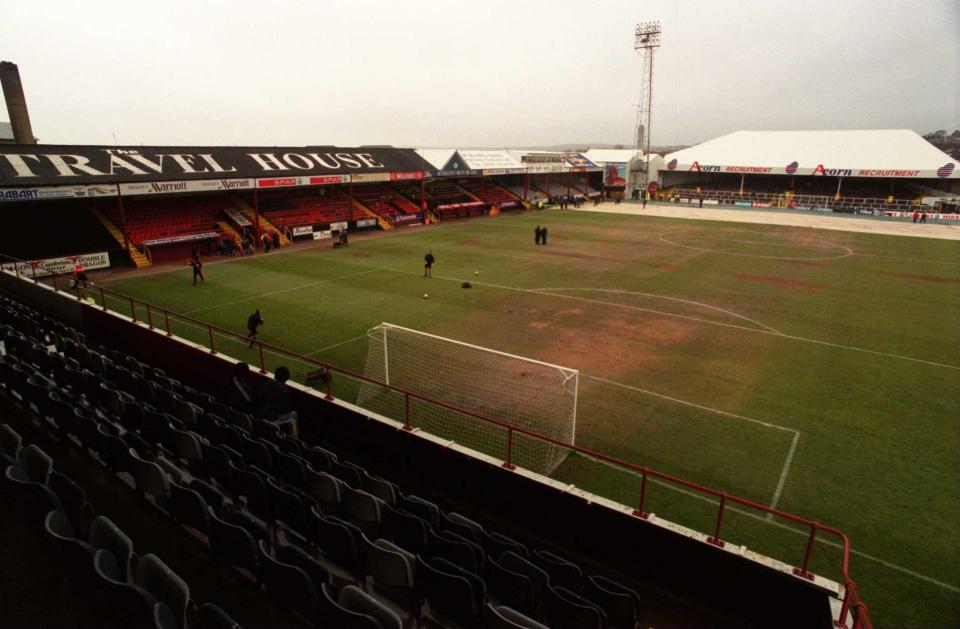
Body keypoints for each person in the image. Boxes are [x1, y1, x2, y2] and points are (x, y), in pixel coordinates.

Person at [255, 366, 298, 436]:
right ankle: (294, 439)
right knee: (294, 415)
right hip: (271, 418)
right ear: (287, 378)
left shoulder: (267, 384)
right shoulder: (285, 390)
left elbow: (260, 397)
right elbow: (287, 409)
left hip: (261, 414)